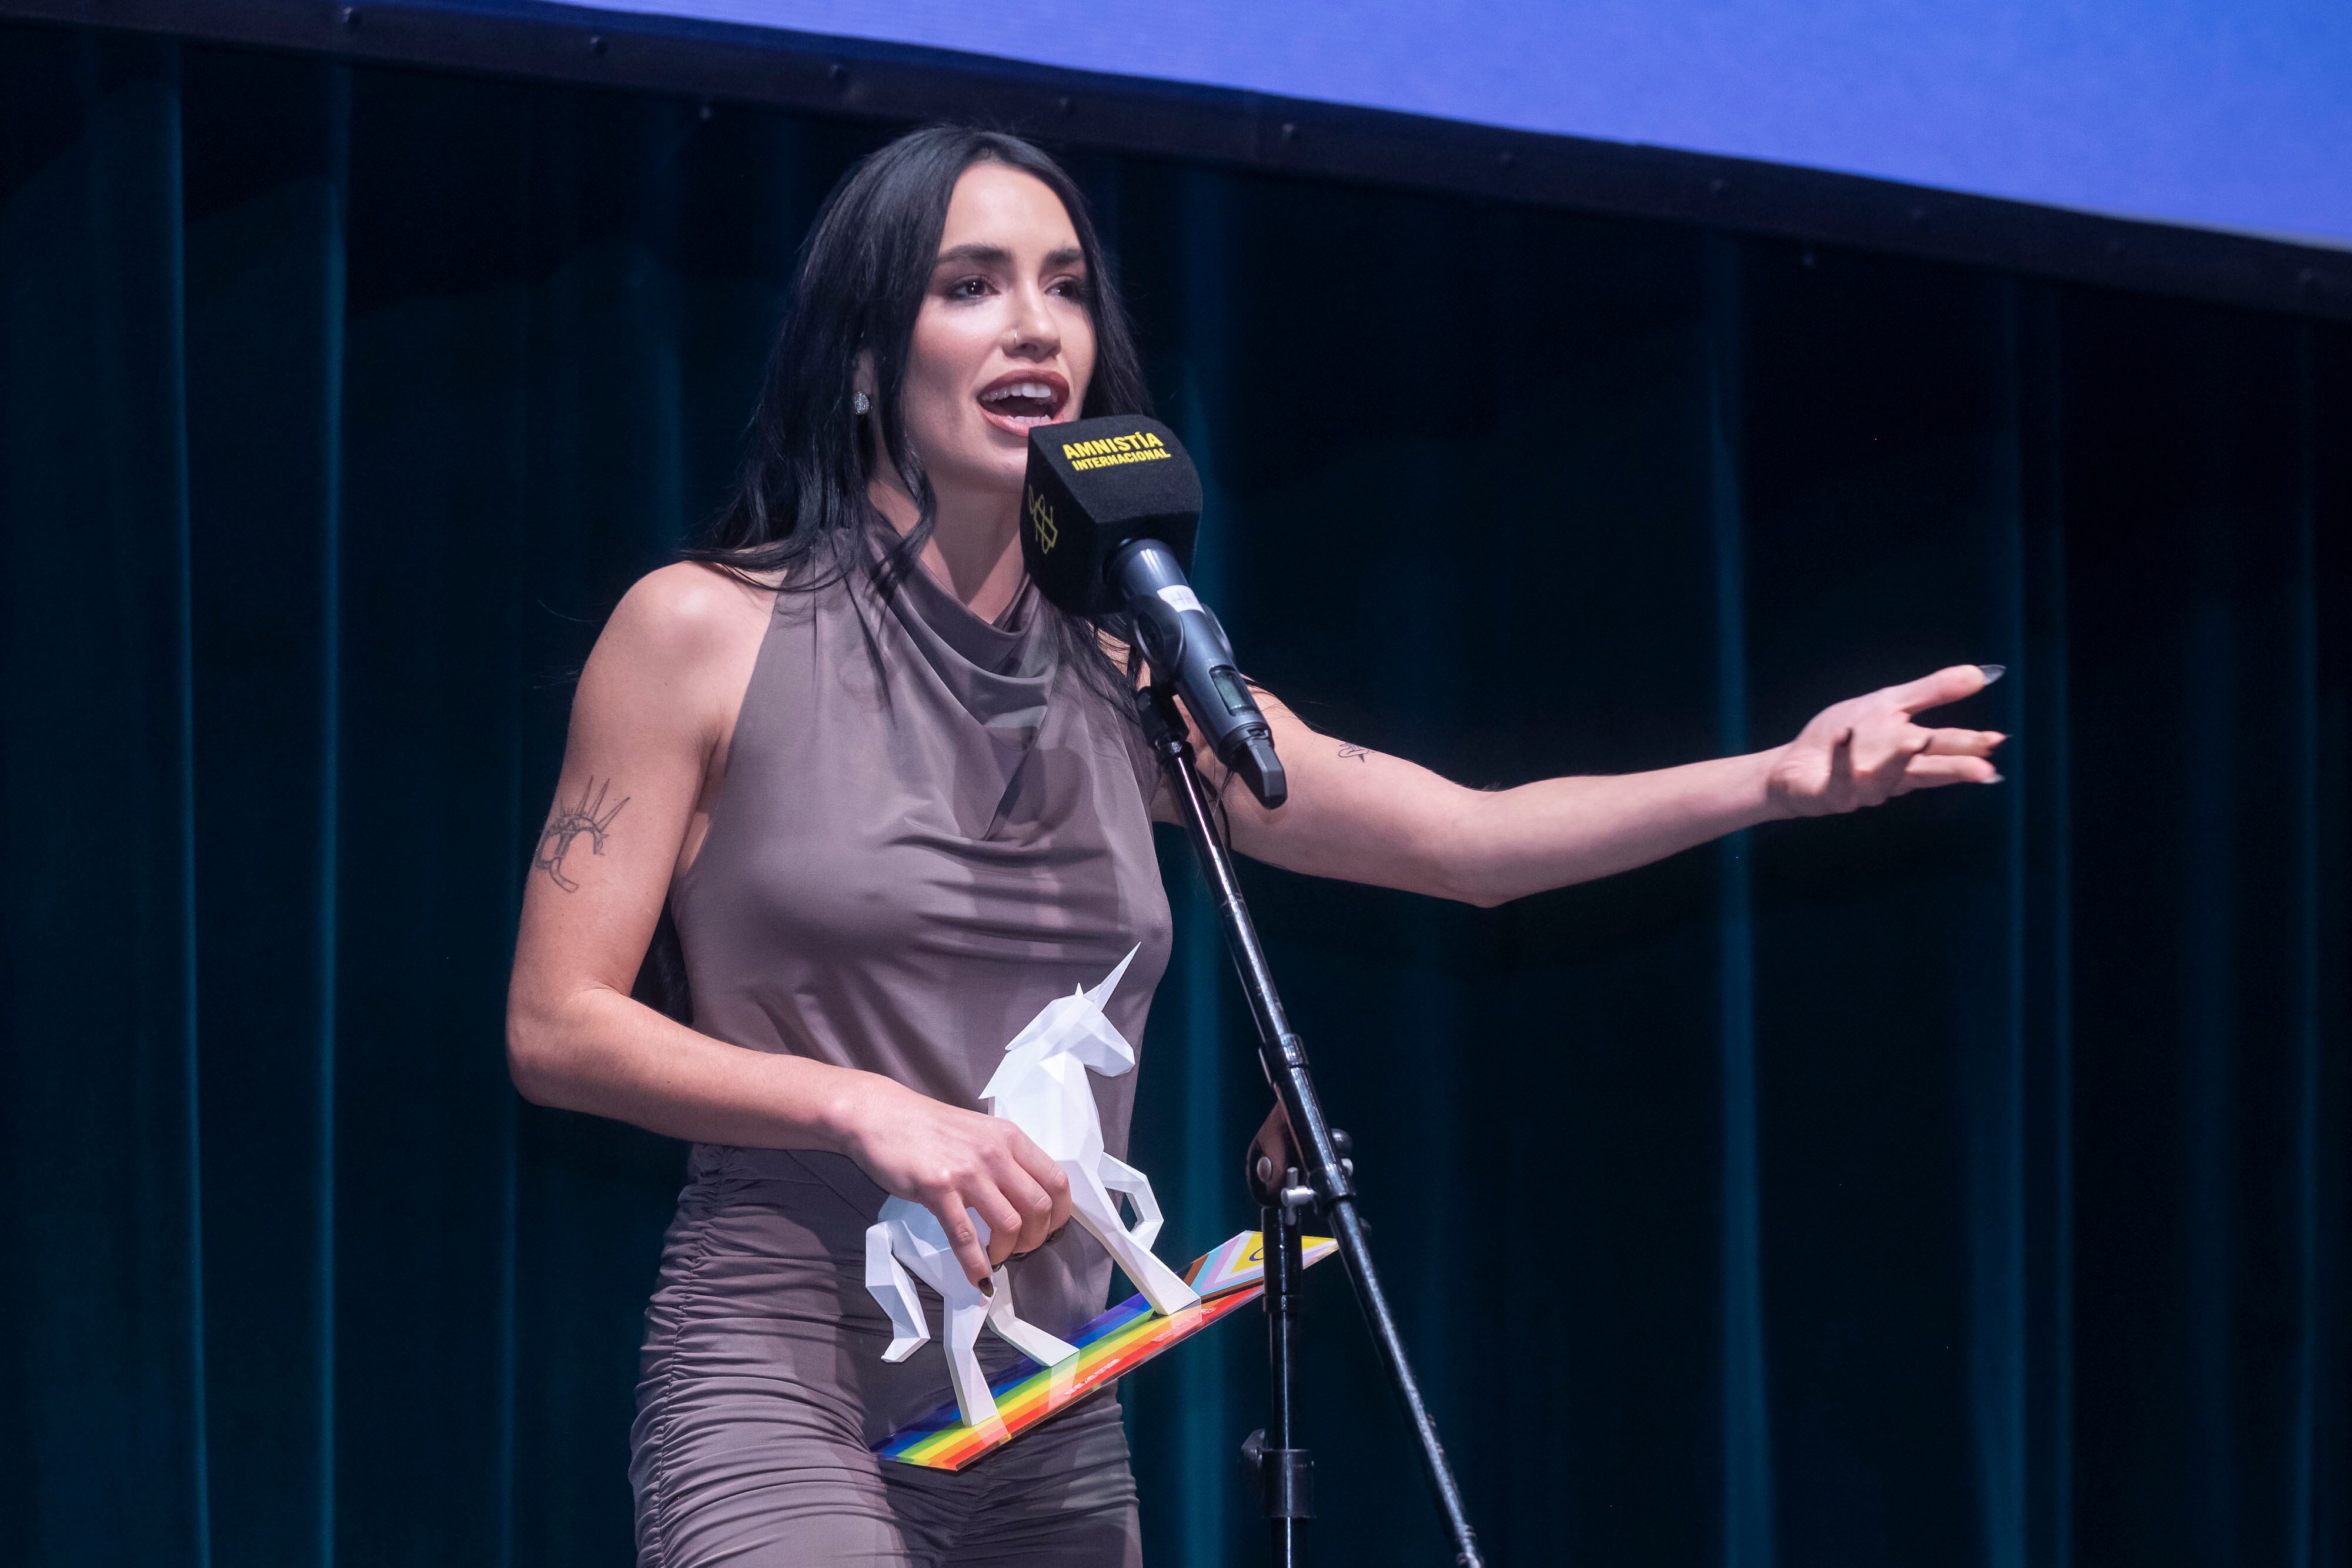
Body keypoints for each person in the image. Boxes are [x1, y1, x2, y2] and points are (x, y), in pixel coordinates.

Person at [503, 126, 2006, 1568]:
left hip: (1045, 1405)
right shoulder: (702, 629)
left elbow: (1466, 839)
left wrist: (1780, 779)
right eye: (969, 285)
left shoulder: (1132, 673)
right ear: (860, 357)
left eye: (1065, 285)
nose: (1035, 328)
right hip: (786, 1372)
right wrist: (862, 1107)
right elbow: (557, 1024)